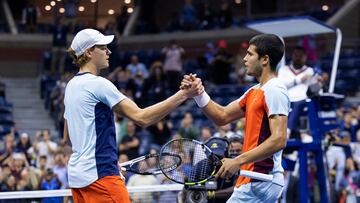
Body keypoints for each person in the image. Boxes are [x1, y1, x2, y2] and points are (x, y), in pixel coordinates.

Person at [63, 28, 203, 203]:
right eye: (103, 47)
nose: (109, 51)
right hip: (100, 175)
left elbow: (66, 136)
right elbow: (142, 118)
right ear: (88, 52)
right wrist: (183, 95)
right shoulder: (98, 84)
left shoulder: (70, 86)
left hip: (78, 177)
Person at [182, 34, 290, 202]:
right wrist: (198, 93)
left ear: (265, 59)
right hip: (253, 180)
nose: (244, 59)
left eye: (250, 54)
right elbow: (222, 116)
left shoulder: (275, 90)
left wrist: (237, 161)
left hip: (261, 179)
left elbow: (279, 139)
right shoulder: (255, 91)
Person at [277, 46, 316, 139]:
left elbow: (313, 87)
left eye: (300, 56)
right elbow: (281, 85)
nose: (298, 58)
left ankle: (288, 131)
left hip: (303, 100)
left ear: (305, 57)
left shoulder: (309, 70)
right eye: (296, 55)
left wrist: (318, 81)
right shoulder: (284, 69)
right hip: (287, 100)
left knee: (299, 105)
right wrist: (298, 80)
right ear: (292, 56)